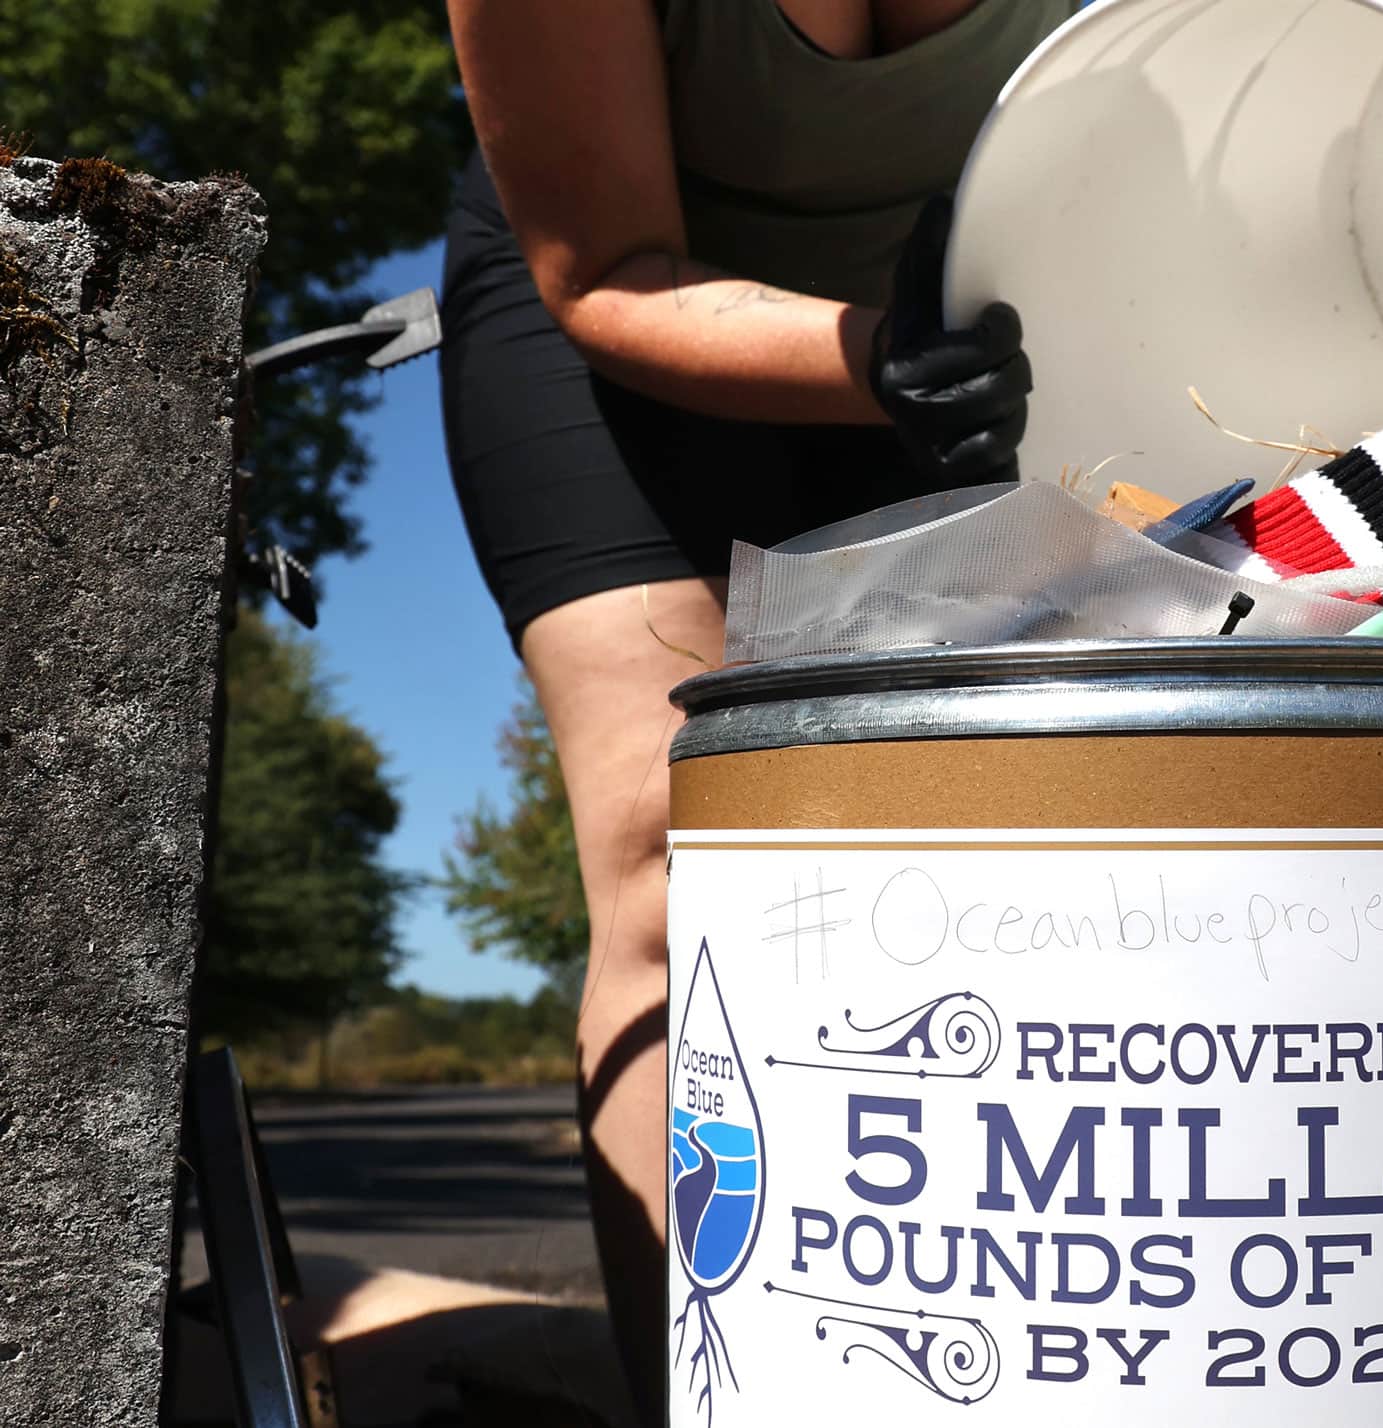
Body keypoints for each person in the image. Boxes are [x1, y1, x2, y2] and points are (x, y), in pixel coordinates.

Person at [438, 2, 1077, 1420]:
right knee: (679, 852)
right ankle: (699, 1394)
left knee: (985, 854)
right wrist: (875, 369)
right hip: (629, 307)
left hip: (985, 326)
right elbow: (608, 272)